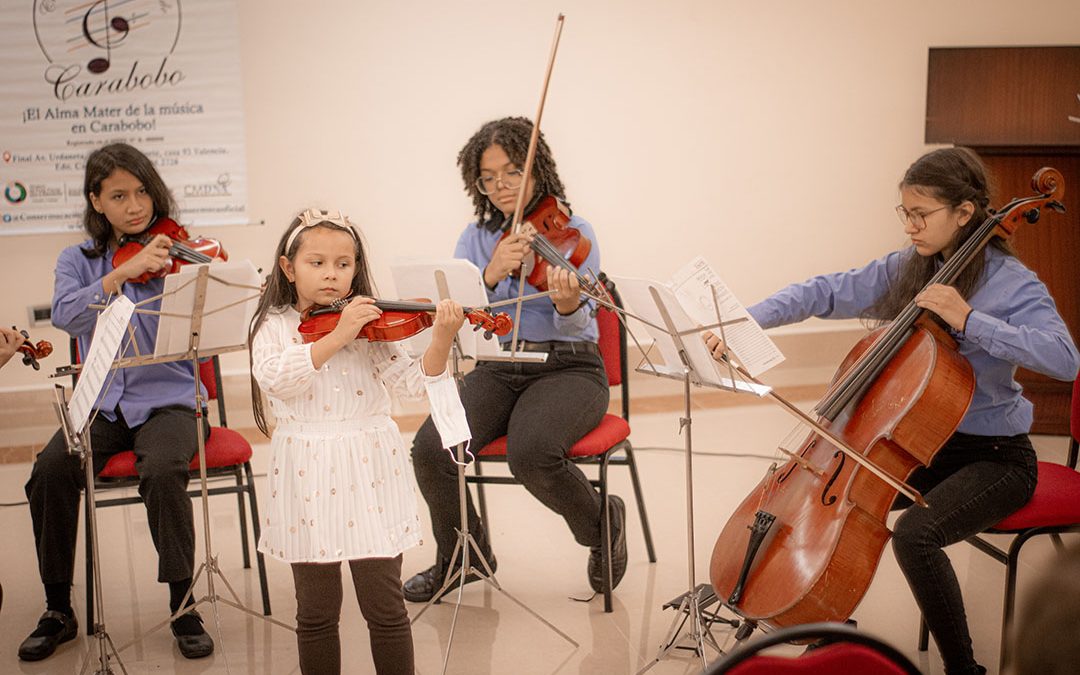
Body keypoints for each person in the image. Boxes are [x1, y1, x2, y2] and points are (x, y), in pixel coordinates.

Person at [704, 147, 1079, 675]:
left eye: (920, 214)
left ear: (965, 213)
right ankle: (824, 618)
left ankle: (964, 670)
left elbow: (1065, 360)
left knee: (915, 536)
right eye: (904, 212)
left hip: (994, 458)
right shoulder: (912, 269)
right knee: (836, 509)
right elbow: (824, 291)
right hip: (918, 446)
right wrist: (744, 325)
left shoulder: (1014, 284)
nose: (909, 226)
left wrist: (970, 320)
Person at [403, 116, 627, 603]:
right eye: (489, 177)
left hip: (570, 366)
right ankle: (465, 556)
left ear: (536, 169)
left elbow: (578, 318)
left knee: (532, 453)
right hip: (499, 367)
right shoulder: (477, 238)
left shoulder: (573, 231)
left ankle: (600, 521)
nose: (501, 186)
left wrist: (567, 302)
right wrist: (489, 273)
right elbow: (459, 315)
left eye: (511, 172)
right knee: (430, 449)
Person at [20, 143, 215, 661]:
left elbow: (215, 314)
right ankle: (58, 608)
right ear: (97, 202)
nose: (135, 205)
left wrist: (190, 272)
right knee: (50, 472)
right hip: (102, 404)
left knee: (163, 467)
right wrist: (119, 276)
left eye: (143, 191)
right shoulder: (78, 261)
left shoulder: (179, 252)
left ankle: (183, 602)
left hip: (170, 399)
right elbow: (66, 315)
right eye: (119, 195)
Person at [249, 208, 465, 675]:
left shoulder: (371, 321)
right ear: (288, 268)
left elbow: (410, 383)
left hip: (369, 465)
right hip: (306, 469)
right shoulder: (273, 324)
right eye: (317, 263)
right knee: (316, 612)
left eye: (343, 264)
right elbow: (276, 378)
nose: (332, 274)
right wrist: (340, 332)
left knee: (386, 608)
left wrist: (441, 338)